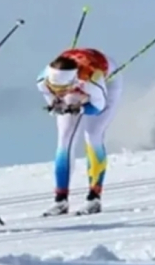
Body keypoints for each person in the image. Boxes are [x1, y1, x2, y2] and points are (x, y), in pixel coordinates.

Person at [36, 48, 123, 216]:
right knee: (64, 140)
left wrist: (80, 108)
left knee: (93, 134)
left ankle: (94, 198)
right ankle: (60, 200)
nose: (59, 93)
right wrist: (57, 105)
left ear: (72, 81)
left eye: (62, 89)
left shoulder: (92, 80)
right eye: (54, 88)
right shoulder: (43, 81)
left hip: (106, 83)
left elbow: (98, 107)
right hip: (76, 86)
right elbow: (55, 100)